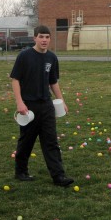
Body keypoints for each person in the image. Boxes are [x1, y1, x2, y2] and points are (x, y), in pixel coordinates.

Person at [10, 25, 74, 187]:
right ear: (35, 38)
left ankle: (58, 176)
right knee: (26, 140)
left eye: (47, 37)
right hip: (29, 106)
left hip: (46, 105)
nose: (44, 40)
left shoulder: (52, 58)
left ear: (50, 39)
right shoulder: (24, 56)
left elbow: (53, 82)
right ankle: (21, 171)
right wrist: (19, 102)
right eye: (41, 37)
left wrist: (61, 100)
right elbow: (15, 79)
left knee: (51, 141)